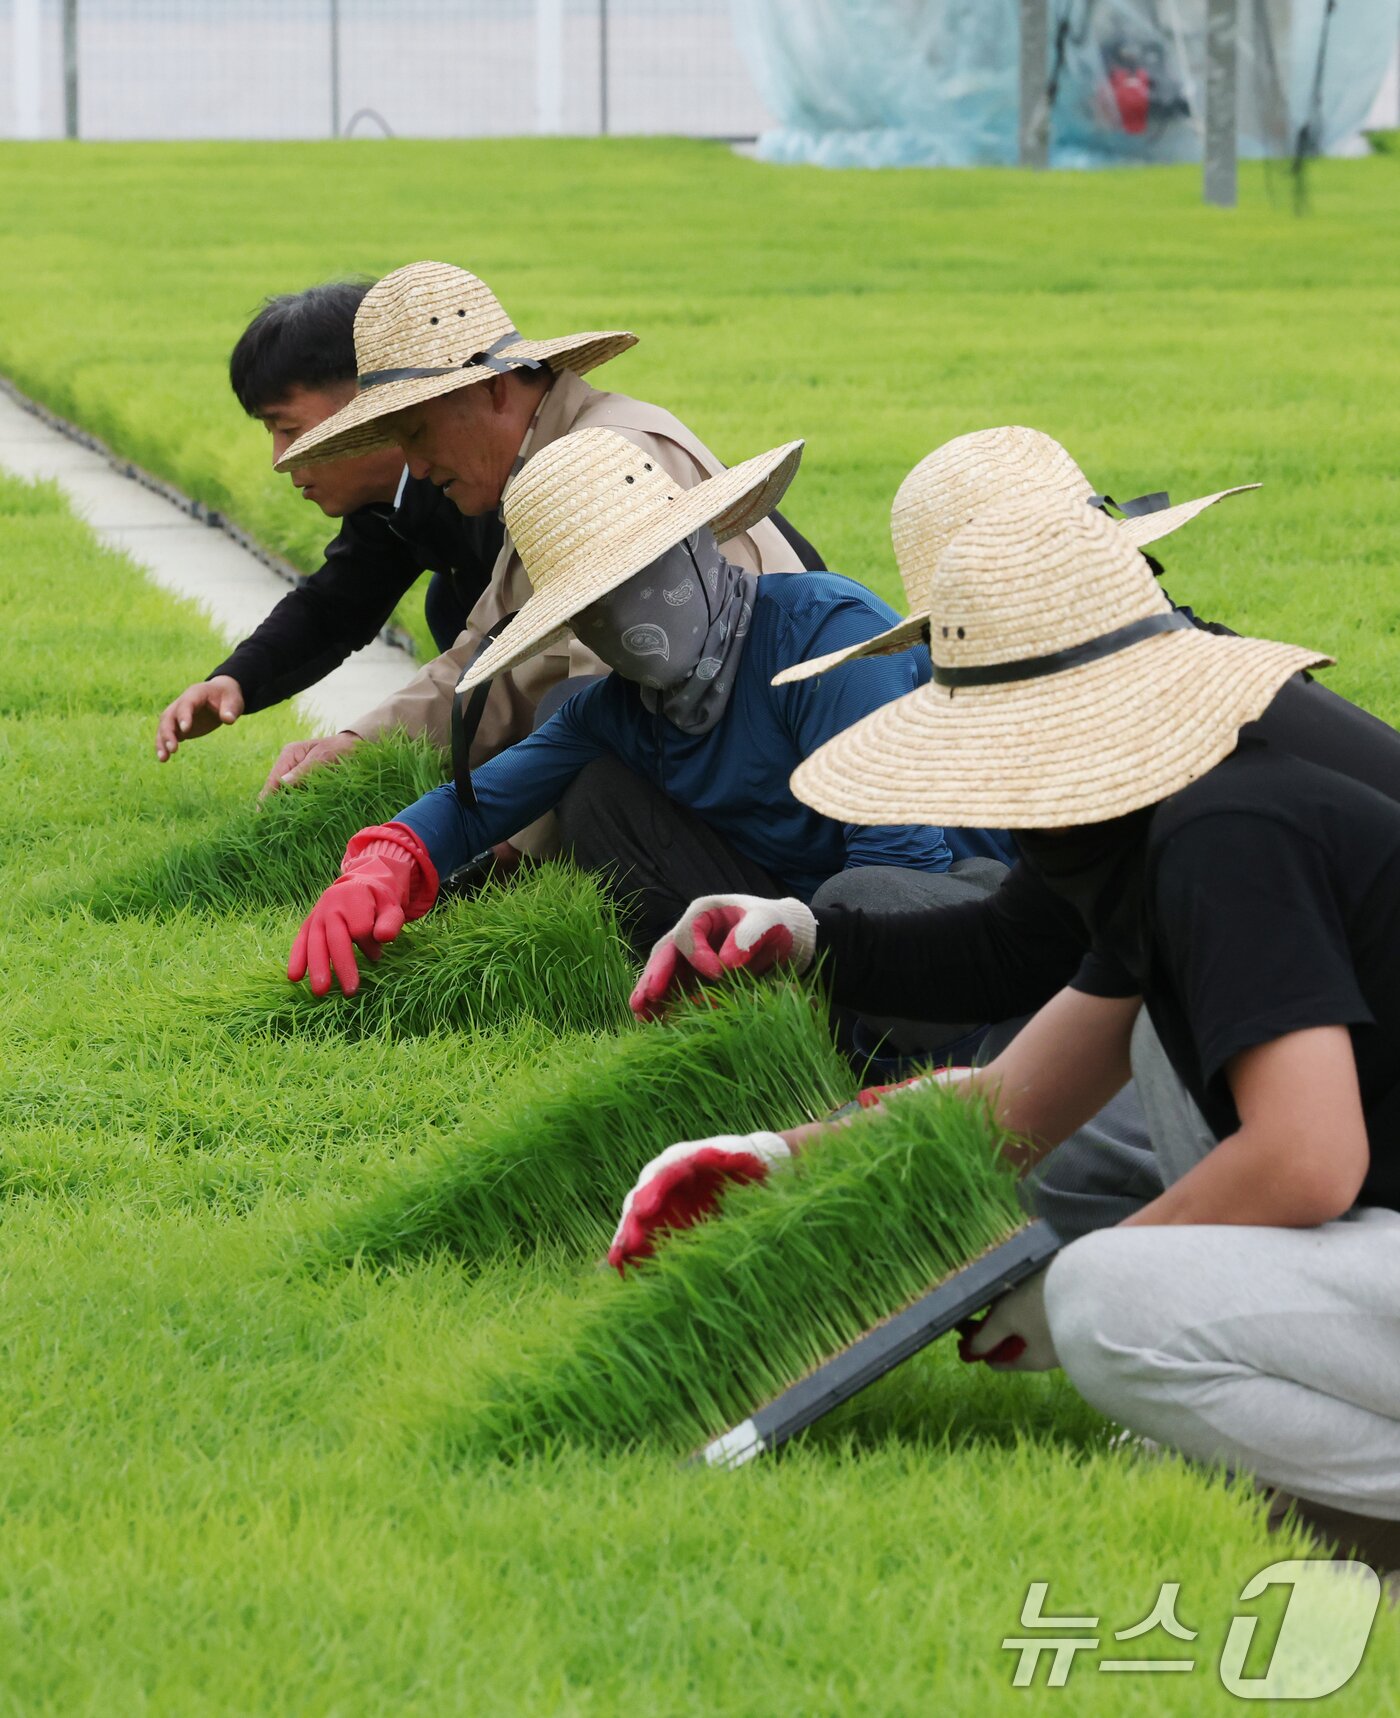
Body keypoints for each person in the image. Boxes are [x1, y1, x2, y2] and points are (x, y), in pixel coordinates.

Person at [612, 494, 1400, 1561]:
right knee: (1124, 1200)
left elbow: (1305, 1159)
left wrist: (1095, 1274)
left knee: (1104, 1300)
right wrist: (776, 1160)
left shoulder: (1224, 832)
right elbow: (1009, 1100)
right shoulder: (1163, 831)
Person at [629, 427, 1400, 1239]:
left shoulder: (1219, 814)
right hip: (1337, 1107)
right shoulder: (1138, 772)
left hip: (1341, 1141)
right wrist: (800, 954)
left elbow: (1305, 1157)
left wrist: (1114, 1281)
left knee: (1087, 1149)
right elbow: (1019, 963)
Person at [285, 428, 1013, 998]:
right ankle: (731, 992)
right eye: (590, 603)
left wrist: (804, 942)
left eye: (644, 570)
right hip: (801, 909)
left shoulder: (827, 640)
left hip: (967, 903)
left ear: (701, 542)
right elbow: (475, 807)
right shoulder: (620, 711)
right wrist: (382, 866)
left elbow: (901, 863)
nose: (623, 615)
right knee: (594, 786)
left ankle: (881, 1045)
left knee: (868, 891)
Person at [263, 260, 825, 834]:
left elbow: (610, 707)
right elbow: (487, 662)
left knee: (585, 756)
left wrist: (488, 851)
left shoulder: (605, 459)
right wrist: (358, 743)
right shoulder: (543, 472)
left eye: (418, 434)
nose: (418, 468)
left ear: (491, 388)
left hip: (779, 797)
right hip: (722, 778)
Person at [155, 282, 503, 777]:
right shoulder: (393, 498)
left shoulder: (498, 491)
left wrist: (362, 743)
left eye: (289, 429)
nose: (280, 459)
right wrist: (236, 680)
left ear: (371, 407)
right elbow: (335, 606)